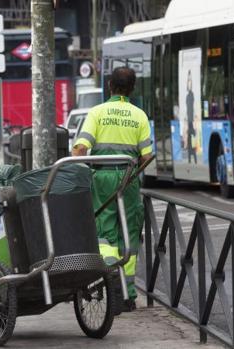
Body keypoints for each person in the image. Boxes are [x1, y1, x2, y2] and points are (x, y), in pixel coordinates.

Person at [72, 67, 153, 312]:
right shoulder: (139, 115)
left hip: (101, 178)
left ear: (109, 86)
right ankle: (128, 295)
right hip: (128, 178)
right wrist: (133, 175)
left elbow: (79, 150)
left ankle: (109, 288)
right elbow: (147, 156)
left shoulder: (96, 113)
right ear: (132, 89)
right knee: (128, 232)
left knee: (105, 234)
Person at [185, 70, 197, 164]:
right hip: (189, 118)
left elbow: (190, 86)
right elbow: (188, 86)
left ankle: (192, 158)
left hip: (191, 118)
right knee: (190, 139)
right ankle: (190, 158)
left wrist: (190, 76)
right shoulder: (188, 96)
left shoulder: (191, 95)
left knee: (191, 138)